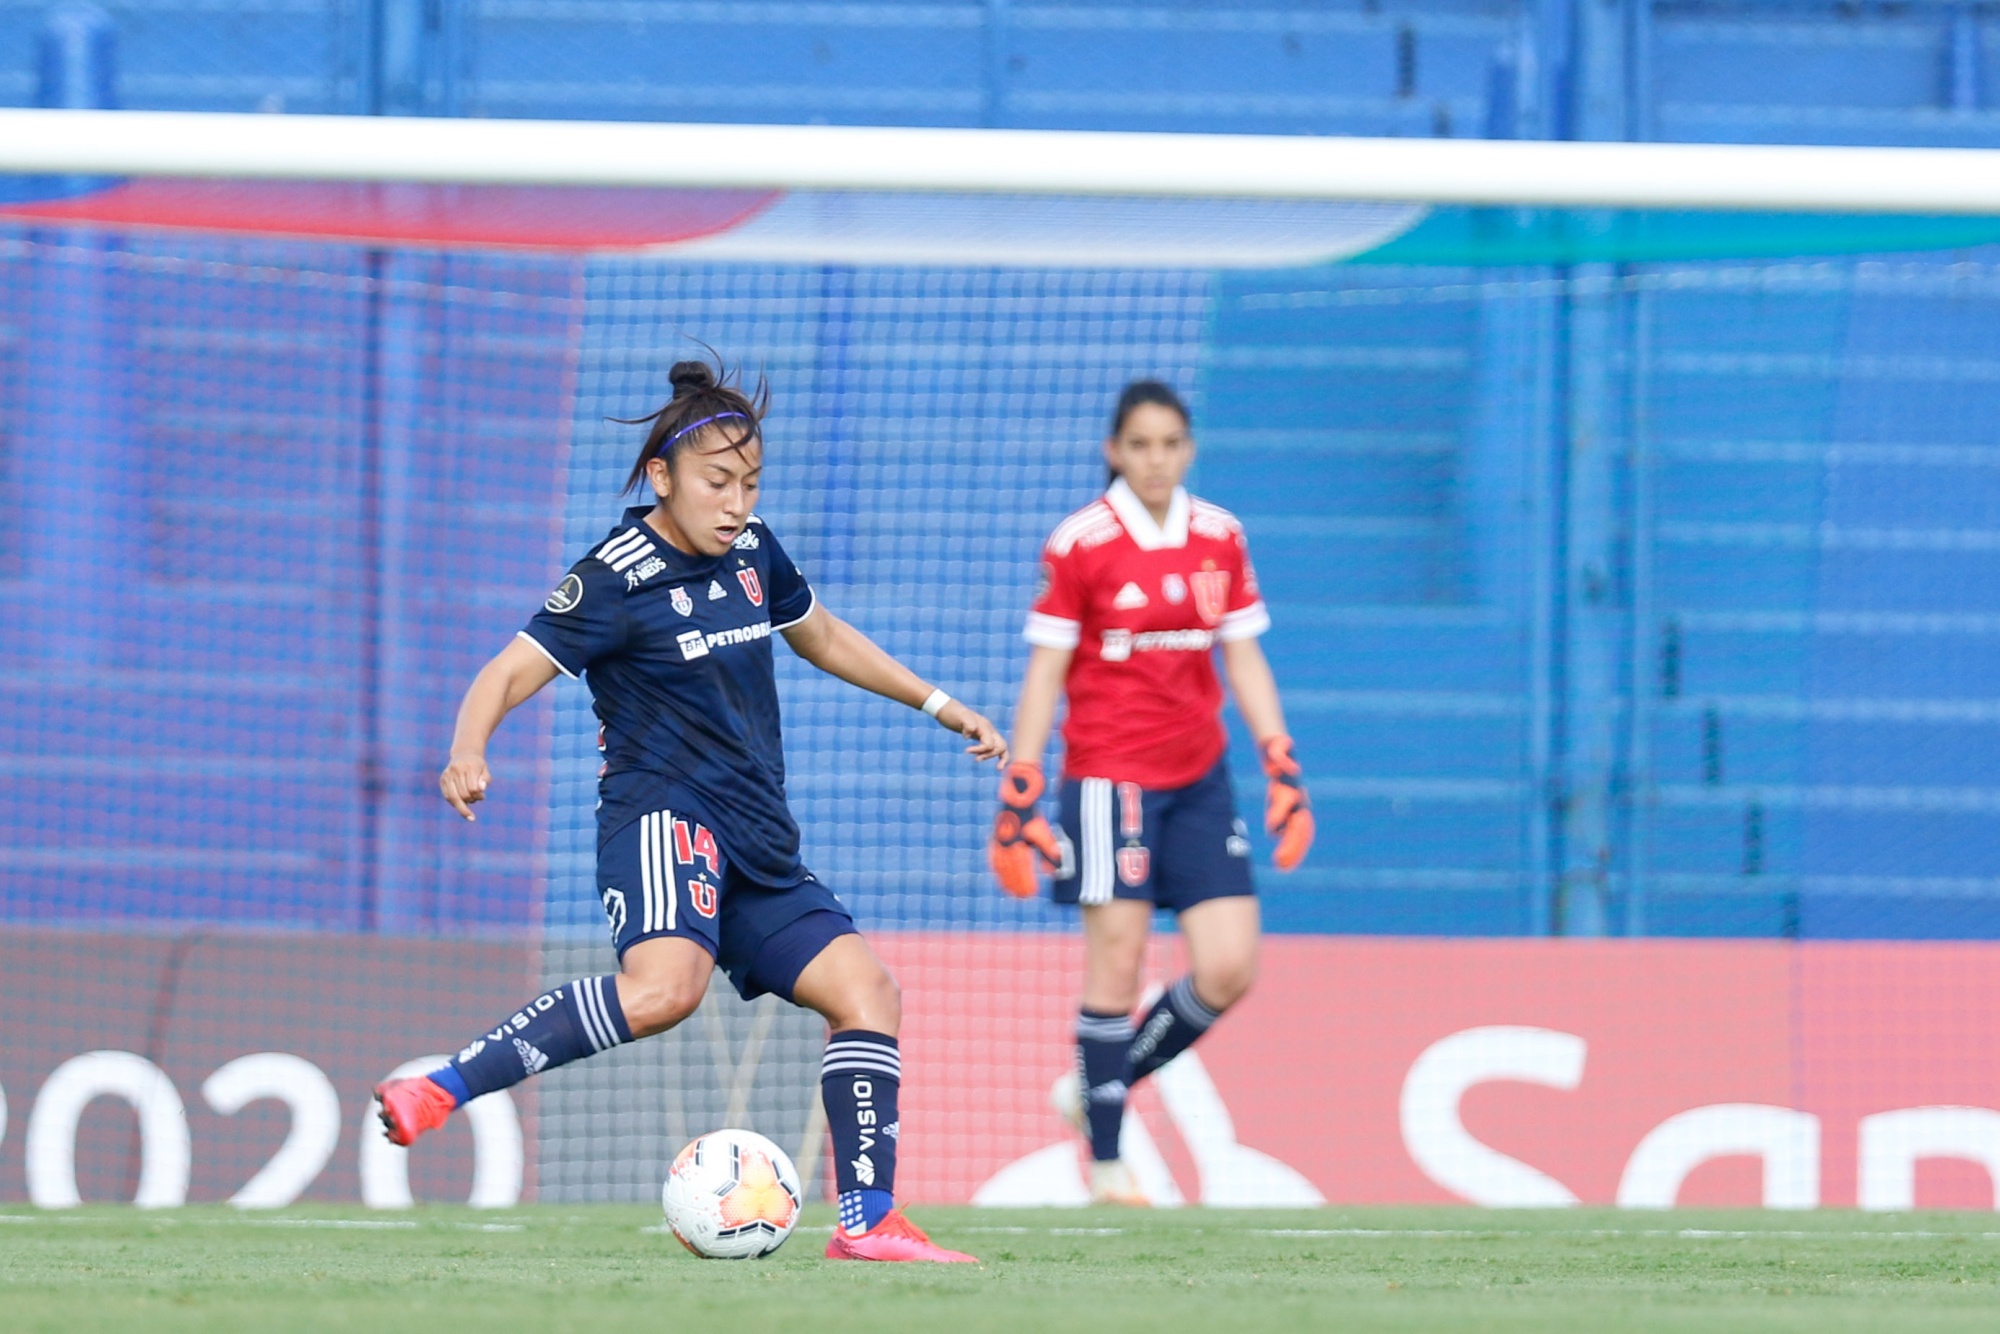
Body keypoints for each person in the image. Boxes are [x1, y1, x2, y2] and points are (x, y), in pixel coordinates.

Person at [374, 357, 1003, 1263]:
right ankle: (439, 1087)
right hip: (664, 820)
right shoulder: (612, 578)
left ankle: (867, 1221)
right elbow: (509, 669)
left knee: (867, 993)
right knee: (665, 992)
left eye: (750, 482)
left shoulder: (756, 554)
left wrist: (939, 704)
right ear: (663, 478)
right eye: (718, 481)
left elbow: (821, 634)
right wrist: (469, 747)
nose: (737, 501)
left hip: (758, 835)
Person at [989, 380, 1314, 1205]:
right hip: (1110, 778)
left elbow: (1241, 655)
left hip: (1200, 777)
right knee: (1117, 961)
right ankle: (1105, 1163)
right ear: (1114, 450)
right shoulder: (1081, 543)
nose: (1156, 459)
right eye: (1140, 445)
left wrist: (1280, 760)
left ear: (1189, 448)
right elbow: (1047, 669)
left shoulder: (1220, 536)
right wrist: (1021, 787)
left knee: (1230, 964)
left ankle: (1100, 1084)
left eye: (1170, 444)